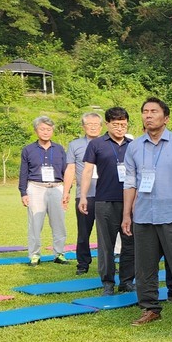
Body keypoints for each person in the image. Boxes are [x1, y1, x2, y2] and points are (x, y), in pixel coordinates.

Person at [122, 98, 172, 326]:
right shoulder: (134, 146)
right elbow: (130, 182)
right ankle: (149, 308)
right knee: (144, 265)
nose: (148, 115)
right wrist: (127, 214)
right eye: (145, 111)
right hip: (143, 214)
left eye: (154, 111)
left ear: (166, 118)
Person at [79, 107, 135, 296]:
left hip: (130, 201)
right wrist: (84, 196)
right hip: (104, 200)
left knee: (130, 243)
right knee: (106, 244)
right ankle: (108, 283)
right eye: (116, 124)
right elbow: (87, 171)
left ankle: (127, 281)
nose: (120, 128)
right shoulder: (97, 144)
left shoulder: (133, 144)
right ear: (108, 124)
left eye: (123, 124)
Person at [18, 115, 69, 265]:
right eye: (42, 129)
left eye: (49, 129)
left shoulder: (59, 149)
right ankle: (34, 254)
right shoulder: (28, 149)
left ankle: (59, 253)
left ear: (52, 131)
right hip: (36, 187)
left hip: (57, 187)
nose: (46, 132)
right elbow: (23, 173)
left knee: (59, 223)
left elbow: (66, 171)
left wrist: (67, 191)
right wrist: (23, 192)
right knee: (35, 222)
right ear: (36, 130)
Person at [63, 112, 103, 274]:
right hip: (84, 196)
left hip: (106, 195)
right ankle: (83, 263)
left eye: (96, 124)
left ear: (101, 126)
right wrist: (66, 192)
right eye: (89, 124)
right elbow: (70, 169)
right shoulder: (75, 145)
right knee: (84, 232)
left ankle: (107, 264)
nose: (93, 127)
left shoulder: (108, 143)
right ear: (83, 127)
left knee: (106, 234)